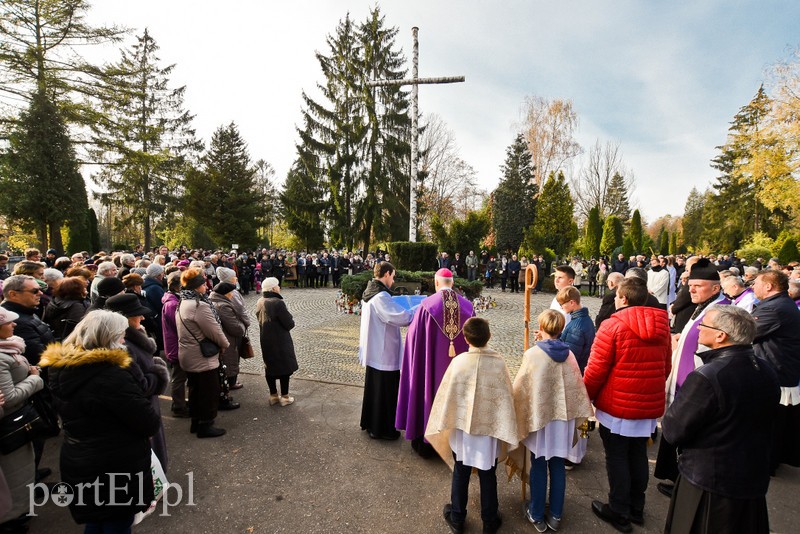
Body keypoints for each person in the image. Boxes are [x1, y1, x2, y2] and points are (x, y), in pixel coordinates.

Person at [40, 310, 161, 533]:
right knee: (117, 521)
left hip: (79, 455)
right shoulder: (110, 374)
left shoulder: (60, 368)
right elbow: (147, 421)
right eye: (120, 335)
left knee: (96, 519)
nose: (124, 340)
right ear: (107, 338)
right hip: (114, 462)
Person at [662, 306, 779, 534]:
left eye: (703, 325)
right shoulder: (766, 369)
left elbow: (673, 430)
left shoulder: (708, 376)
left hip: (709, 481)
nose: (699, 330)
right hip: (750, 477)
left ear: (720, 335)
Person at [584, 278, 672, 532]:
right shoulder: (662, 324)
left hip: (618, 404)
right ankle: (637, 507)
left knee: (617, 457)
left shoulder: (612, 326)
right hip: (647, 404)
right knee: (638, 455)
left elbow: (596, 369)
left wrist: (586, 397)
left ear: (621, 299)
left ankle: (619, 510)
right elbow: (665, 365)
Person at [425, 318, 517, 534]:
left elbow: (446, 397)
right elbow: (505, 397)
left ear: (465, 338)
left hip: (464, 431)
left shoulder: (458, 362)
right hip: (488, 432)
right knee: (488, 475)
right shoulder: (498, 362)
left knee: (461, 472)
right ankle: (490, 520)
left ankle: (457, 518)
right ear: (489, 337)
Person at [511, 310, 593, 532]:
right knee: (557, 465)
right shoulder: (570, 355)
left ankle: (536, 514)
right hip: (563, 420)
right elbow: (577, 387)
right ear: (560, 329)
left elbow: (521, 387)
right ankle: (556, 514)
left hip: (541, 420)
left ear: (542, 327)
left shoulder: (533, 355)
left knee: (538, 465)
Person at [657, 259, 729, 496]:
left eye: (699, 285)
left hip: (698, 383)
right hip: (686, 380)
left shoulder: (720, 311)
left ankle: (686, 484)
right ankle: (677, 479)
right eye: (691, 285)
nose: (692, 289)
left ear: (715, 288)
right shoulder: (704, 307)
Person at [396, 268, 474, 457]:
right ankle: (455, 445)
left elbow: (413, 339)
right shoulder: (468, 307)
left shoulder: (426, 306)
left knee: (429, 392)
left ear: (436, 282)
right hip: (459, 368)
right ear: (452, 283)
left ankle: (428, 444)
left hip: (430, 368)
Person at [106, 293, 170, 471]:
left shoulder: (133, 336)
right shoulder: (123, 346)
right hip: (142, 412)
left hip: (148, 408)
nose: (142, 317)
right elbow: (139, 386)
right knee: (148, 462)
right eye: (137, 314)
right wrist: (158, 371)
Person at [358, 263, 414, 440]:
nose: (393, 280)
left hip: (375, 349)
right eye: (393, 276)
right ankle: (381, 429)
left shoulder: (370, 292)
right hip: (384, 352)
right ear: (387, 274)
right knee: (385, 393)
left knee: (375, 390)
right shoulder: (381, 296)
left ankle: (370, 423)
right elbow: (399, 317)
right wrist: (418, 310)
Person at [751, 270, 800, 472]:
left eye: (756, 283)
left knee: (768, 423)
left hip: (775, 370)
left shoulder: (774, 308)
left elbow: (747, 332)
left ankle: (765, 463)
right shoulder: (780, 304)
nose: (753, 287)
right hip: (778, 368)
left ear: (769, 286)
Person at [0, 307, 44, 531]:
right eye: (8, 322)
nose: (14, 324)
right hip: (11, 422)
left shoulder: (11, 345)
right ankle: (12, 517)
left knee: (25, 466)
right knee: (13, 474)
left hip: (22, 415)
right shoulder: (1, 357)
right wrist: (34, 379)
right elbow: (9, 398)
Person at [176, 268, 230, 438]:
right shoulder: (198, 306)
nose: (206, 287)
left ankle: (196, 421)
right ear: (196, 287)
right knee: (208, 391)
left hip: (188, 353)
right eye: (202, 284)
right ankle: (205, 425)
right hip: (201, 355)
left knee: (195, 389)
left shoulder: (183, 302)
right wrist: (224, 344)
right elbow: (214, 330)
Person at [256, 277, 299, 406]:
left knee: (270, 367)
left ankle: (273, 395)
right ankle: (285, 397)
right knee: (284, 368)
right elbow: (289, 323)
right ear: (274, 288)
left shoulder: (260, 301)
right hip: (280, 340)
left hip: (266, 339)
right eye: (278, 286)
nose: (279, 288)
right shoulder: (277, 302)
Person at [210, 282, 248, 396]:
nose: (233, 294)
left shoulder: (214, 301)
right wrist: (243, 325)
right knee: (230, 359)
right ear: (226, 293)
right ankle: (231, 383)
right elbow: (235, 327)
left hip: (225, 337)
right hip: (229, 338)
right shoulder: (223, 306)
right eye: (231, 292)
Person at [162, 271, 189, 418]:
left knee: (181, 376)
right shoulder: (172, 304)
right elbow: (179, 325)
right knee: (179, 377)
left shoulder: (174, 300)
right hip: (176, 345)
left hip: (177, 343)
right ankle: (178, 406)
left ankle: (180, 403)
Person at [43, 276, 89, 341]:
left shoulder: (55, 300)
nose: (85, 290)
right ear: (77, 290)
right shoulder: (76, 306)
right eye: (83, 288)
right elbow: (78, 327)